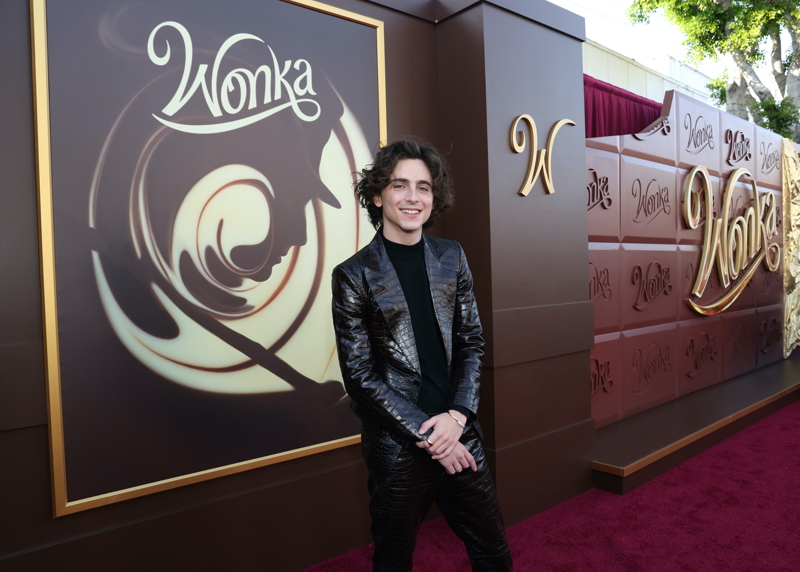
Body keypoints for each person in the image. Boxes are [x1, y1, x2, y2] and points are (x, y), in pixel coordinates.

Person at [331, 140, 513, 571]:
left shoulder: (452, 257)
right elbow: (359, 375)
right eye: (400, 185)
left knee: (494, 555)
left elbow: (471, 342)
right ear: (378, 196)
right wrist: (430, 435)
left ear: (434, 198)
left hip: (459, 432)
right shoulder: (353, 274)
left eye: (424, 188)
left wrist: (457, 417)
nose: (413, 197)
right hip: (398, 448)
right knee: (393, 561)